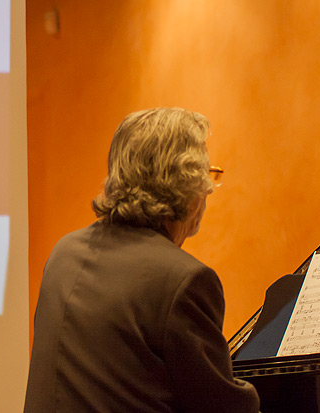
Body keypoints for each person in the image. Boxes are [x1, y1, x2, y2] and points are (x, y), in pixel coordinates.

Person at [24, 108, 260, 412]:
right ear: (186, 184)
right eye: (206, 175)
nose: (208, 190)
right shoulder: (184, 280)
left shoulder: (64, 252)